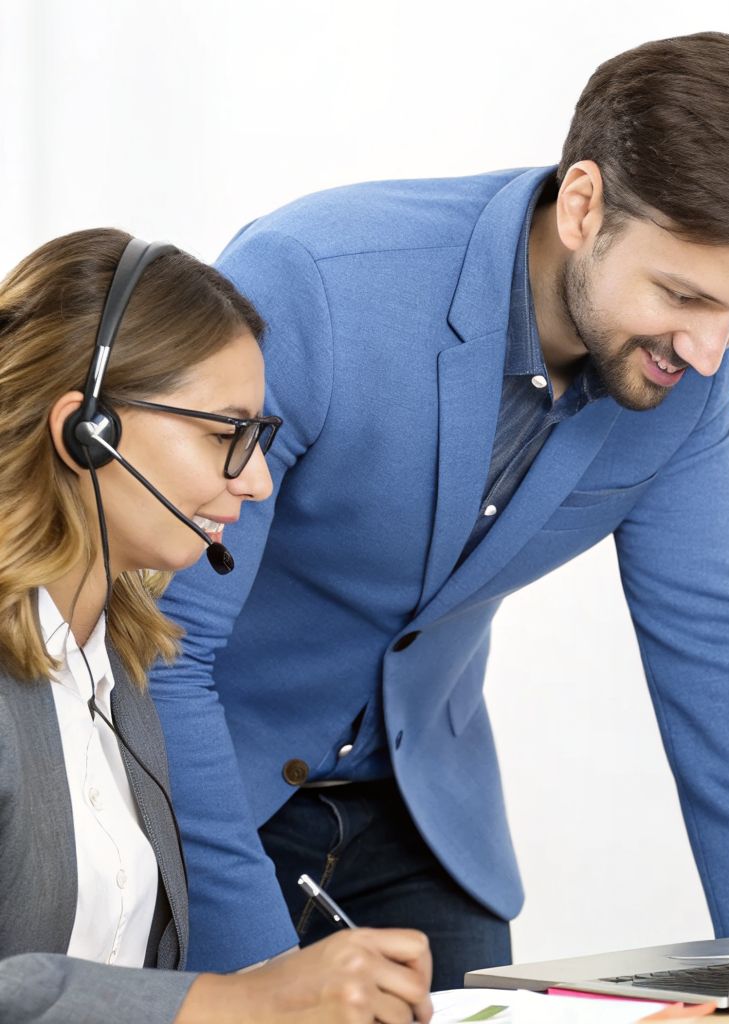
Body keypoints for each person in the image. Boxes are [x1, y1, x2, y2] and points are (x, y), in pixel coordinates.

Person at [150, 31, 729, 985]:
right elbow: (164, 653)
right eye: (682, 293)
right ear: (584, 205)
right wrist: (266, 989)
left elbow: (714, 654)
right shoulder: (318, 286)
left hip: (427, 827)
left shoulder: (686, 371)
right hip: (206, 798)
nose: (714, 349)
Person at [0, 229, 435, 1024]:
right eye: (225, 433)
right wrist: (228, 1000)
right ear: (87, 431)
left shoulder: (118, 676)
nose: (261, 479)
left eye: (259, 438)